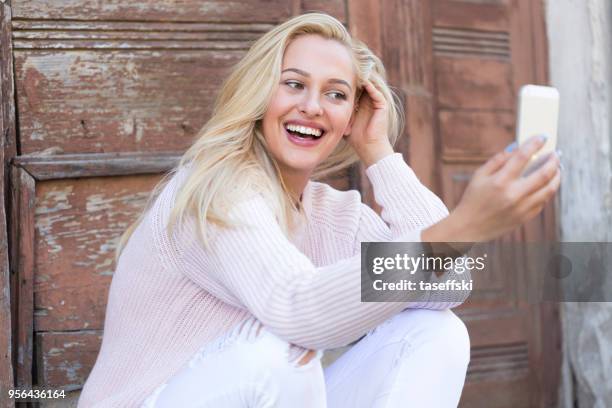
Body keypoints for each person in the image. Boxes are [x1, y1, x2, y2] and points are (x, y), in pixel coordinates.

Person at [78, 12, 561, 408]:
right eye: (293, 84)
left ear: (351, 116)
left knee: (435, 332)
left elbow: (447, 288)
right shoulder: (214, 189)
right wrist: (465, 225)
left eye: (336, 94)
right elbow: (297, 307)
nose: (313, 106)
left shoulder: (333, 213)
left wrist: (380, 153)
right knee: (277, 354)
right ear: (260, 93)